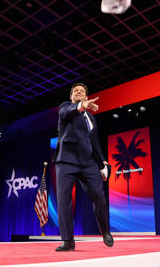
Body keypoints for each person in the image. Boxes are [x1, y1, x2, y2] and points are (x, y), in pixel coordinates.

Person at [54, 83, 114, 251]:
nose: (79, 92)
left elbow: (94, 142)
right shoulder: (66, 108)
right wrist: (80, 106)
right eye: (76, 91)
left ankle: (105, 231)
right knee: (64, 200)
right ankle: (68, 241)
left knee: (99, 195)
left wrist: (103, 162)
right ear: (72, 97)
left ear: (87, 97)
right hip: (66, 161)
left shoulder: (91, 118)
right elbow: (68, 112)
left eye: (82, 91)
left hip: (87, 162)